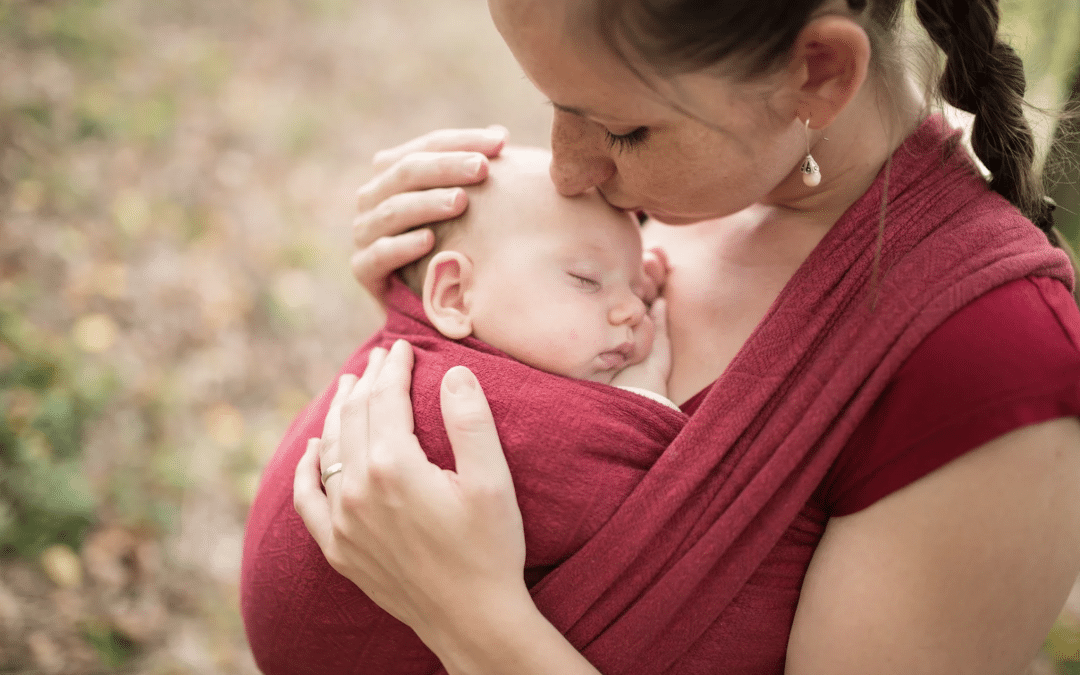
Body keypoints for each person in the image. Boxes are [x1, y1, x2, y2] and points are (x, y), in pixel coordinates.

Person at [260, 0, 1080, 673]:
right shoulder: (674, 185)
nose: (566, 170)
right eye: (554, 103)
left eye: (621, 131)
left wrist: (468, 616)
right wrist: (420, 307)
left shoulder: (995, 362)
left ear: (817, 73)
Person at [240, 146, 684, 673]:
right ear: (453, 295)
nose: (632, 310)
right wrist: (644, 393)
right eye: (587, 280)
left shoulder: (433, 346)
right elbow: (625, 496)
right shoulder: (465, 397)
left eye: (638, 287)